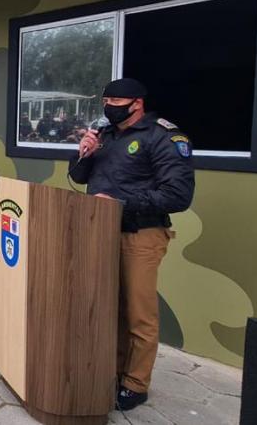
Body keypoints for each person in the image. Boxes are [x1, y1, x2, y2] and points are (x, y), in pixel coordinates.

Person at [68, 78, 194, 412]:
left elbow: (178, 196)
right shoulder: (106, 136)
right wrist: (84, 153)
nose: (107, 105)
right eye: (105, 100)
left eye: (114, 100)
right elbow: (80, 178)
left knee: (138, 314)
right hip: (99, 232)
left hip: (140, 235)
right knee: (108, 307)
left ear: (136, 103)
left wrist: (120, 201)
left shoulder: (164, 137)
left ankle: (135, 384)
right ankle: (113, 370)